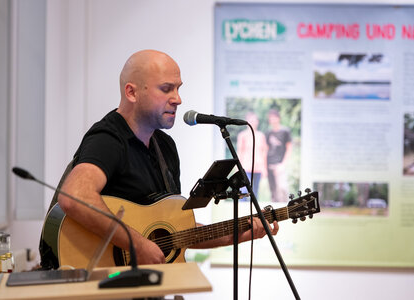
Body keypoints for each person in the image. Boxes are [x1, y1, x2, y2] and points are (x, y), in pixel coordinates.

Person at [52, 50, 278, 266]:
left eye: (178, 89)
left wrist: (233, 235)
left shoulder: (165, 146)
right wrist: (137, 243)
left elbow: (173, 234)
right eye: (166, 89)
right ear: (132, 92)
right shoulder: (109, 138)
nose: (178, 99)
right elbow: (75, 197)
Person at [237, 111, 268, 199]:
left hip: (258, 168)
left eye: (255, 120)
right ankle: (243, 211)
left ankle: (255, 212)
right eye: (251, 120)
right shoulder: (242, 135)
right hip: (246, 167)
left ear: (257, 121)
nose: (253, 122)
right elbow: (240, 151)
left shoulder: (261, 135)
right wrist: (238, 167)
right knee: (244, 191)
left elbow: (263, 152)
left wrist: (264, 168)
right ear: (247, 121)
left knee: (255, 192)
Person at [266, 109, 292, 203]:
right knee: (273, 190)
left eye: (274, 118)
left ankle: (286, 209)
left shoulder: (285, 131)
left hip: (280, 164)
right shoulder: (268, 132)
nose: (272, 120)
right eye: (270, 118)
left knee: (282, 188)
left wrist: (283, 164)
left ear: (278, 118)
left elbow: (289, 148)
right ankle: (274, 214)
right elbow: (266, 149)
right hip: (269, 164)